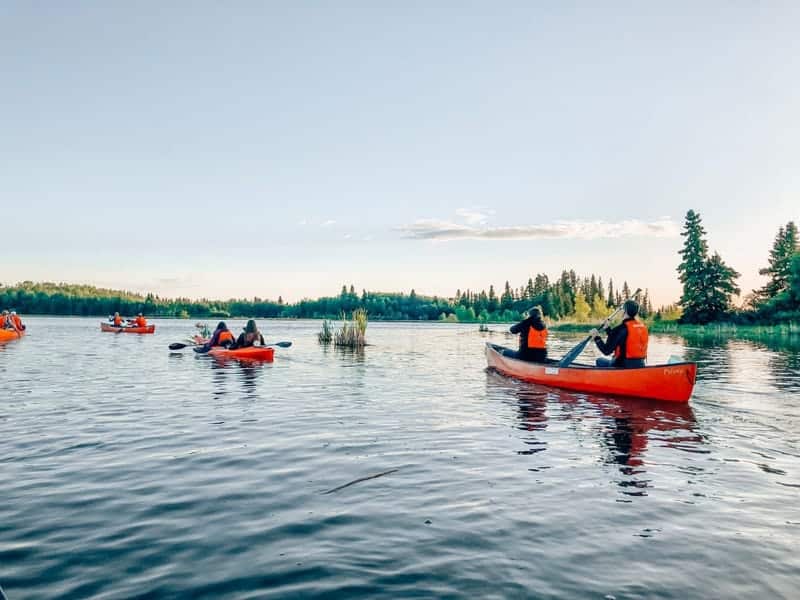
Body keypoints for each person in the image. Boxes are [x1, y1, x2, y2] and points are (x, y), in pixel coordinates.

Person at [590, 299, 649, 368]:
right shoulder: (643, 327)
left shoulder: (621, 328)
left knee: (599, 360)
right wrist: (607, 329)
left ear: (624, 311)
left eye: (622, 310)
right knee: (612, 358)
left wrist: (596, 337)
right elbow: (621, 339)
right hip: (640, 365)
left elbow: (606, 351)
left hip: (622, 366)